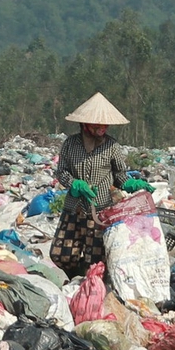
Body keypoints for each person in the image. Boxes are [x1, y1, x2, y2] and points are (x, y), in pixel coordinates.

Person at [50, 93, 131, 276]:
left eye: (105, 125)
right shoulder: (71, 144)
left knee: (94, 259)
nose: (102, 128)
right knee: (60, 254)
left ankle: (87, 286)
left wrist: (131, 183)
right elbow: (61, 172)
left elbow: (119, 175)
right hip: (74, 208)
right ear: (85, 125)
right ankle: (73, 277)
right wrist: (74, 184)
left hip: (99, 211)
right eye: (97, 125)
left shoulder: (112, 146)